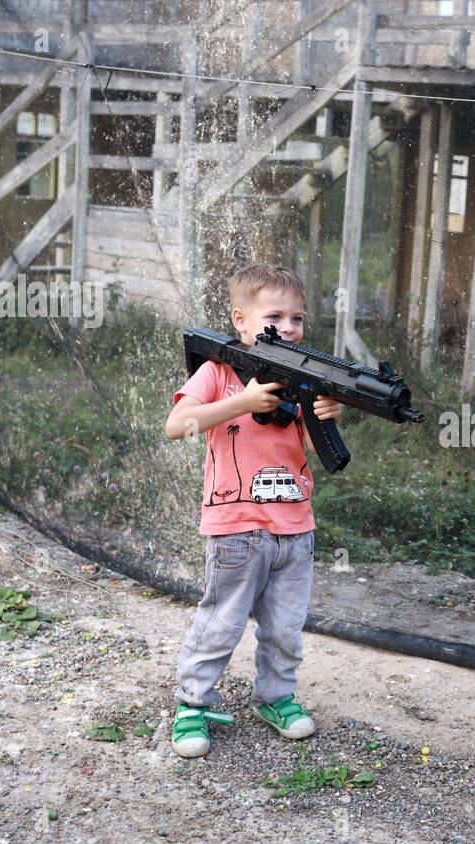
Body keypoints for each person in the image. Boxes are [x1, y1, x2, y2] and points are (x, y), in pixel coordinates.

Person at [163, 263, 343, 758]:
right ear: (240, 322)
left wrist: (325, 413)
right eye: (275, 316)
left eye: (298, 317)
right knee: (221, 622)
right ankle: (193, 704)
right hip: (236, 529)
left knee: (285, 628)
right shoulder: (218, 372)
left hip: (294, 527)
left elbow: (312, 448)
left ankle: (275, 697)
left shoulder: (302, 380)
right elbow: (179, 425)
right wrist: (242, 400)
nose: (289, 327)